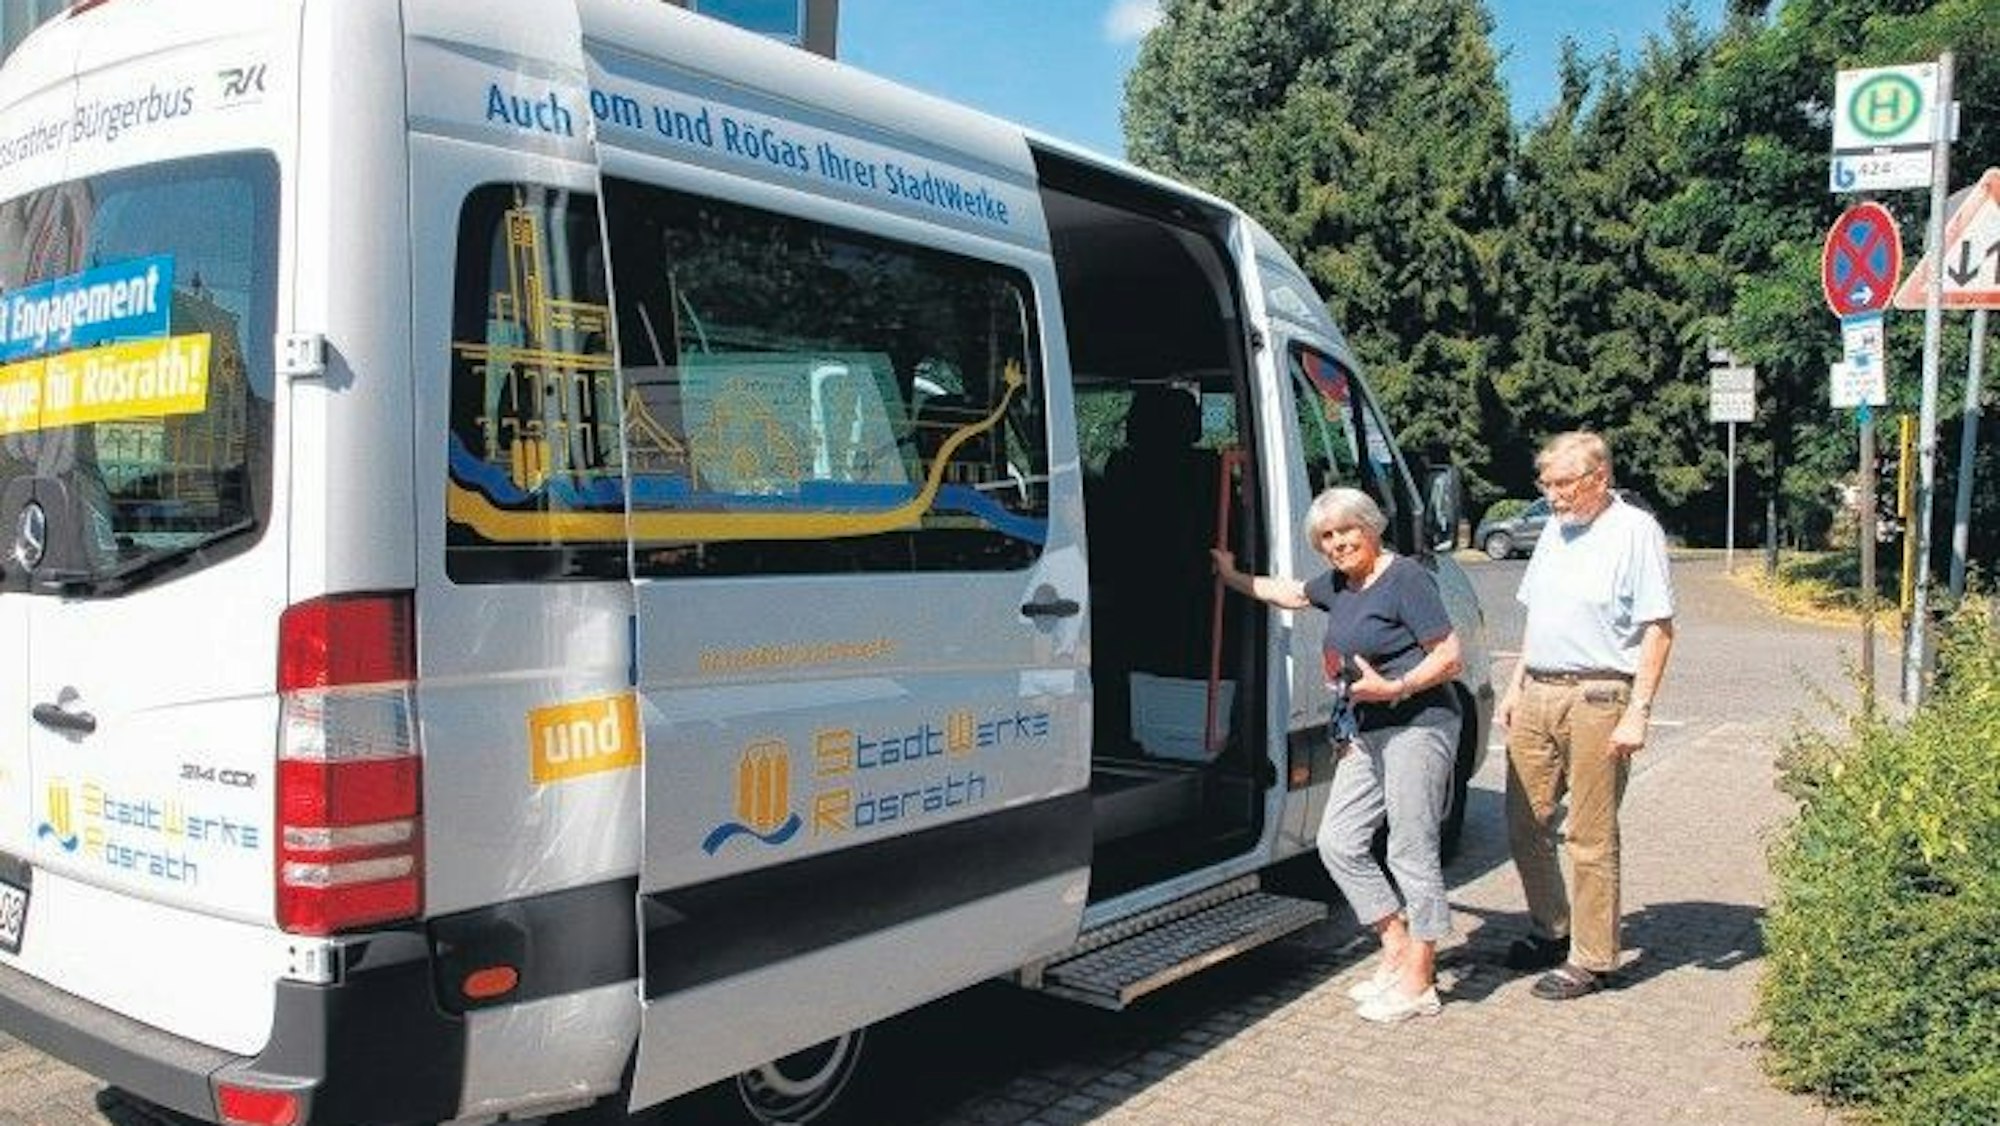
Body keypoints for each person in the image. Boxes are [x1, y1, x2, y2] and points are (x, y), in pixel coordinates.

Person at [1212, 487, 1463, 1023]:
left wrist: (1394, 688)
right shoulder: (1342, 584)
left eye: (1347, 531)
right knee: (1339, 841)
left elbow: (1449, 657)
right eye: (1326, 537)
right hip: (1367, 730)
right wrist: (1231, 575)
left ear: (1371, 527)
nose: (1337, 543)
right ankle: (1394, 942)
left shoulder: (1407, 579)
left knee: (1410, 849)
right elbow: (1292, 594)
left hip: (1417, 724)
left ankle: (1421, 977)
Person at [1498, 431, 1675, 1001]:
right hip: (1539, 690)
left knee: (1590, 834)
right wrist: (1516, 682)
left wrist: (1639, 712)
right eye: (1545, 484)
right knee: (1526, 822)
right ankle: (1552, 928)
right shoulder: (1555, 528)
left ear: (1599, 478)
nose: (1552, 496)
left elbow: (1658, 629)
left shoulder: (1634, 531)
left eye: (1562, 484)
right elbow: (1539, 613)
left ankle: (1594, 958)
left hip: (1600, 693)